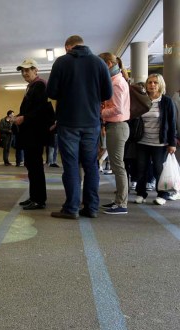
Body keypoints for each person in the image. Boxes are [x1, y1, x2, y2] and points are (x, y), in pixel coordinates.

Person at [46, 35, 113, 219]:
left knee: (71, 165)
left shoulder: (61, 62)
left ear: (68, 47)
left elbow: (50, 91)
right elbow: (107, 93)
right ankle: (91, 207)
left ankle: (72, 208)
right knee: (91, 165)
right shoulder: (99, 63)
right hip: (92, 123)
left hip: (68, 123)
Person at [14, 58, 54, 211]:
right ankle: (34, 197)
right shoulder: (32, 86)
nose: (24, 73)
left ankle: (39, 200)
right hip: (31, 133)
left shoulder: (40, 85)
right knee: (31, 166)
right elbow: (31, 110)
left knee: (35, 167)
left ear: (36, 70)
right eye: (23, 70)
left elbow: (41, 110)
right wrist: (19, 116)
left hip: (35, 134)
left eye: (28, 70)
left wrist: (24, 117)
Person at [133, 73, 177, 205]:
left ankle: (162, 194)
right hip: (142, 141)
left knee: (159, 169)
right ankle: (141, 193)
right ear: (146, 85)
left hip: (160, 143)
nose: (152, 85)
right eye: (150, 82)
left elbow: (172, 123)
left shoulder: (167, 101)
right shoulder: (142, 99)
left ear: (160, 85)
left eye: (155, 82)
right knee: (141, 168)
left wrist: (172, 143)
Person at [97, 52, 131, 214]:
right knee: (118, 165)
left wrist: (100, 112)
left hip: (118, 126)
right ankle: (119, 200)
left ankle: (122, 204)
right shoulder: (115, 80)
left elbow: (118, 109)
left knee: (118, 166)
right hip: (114, 126)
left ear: (109, 64)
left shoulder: (117, 83)